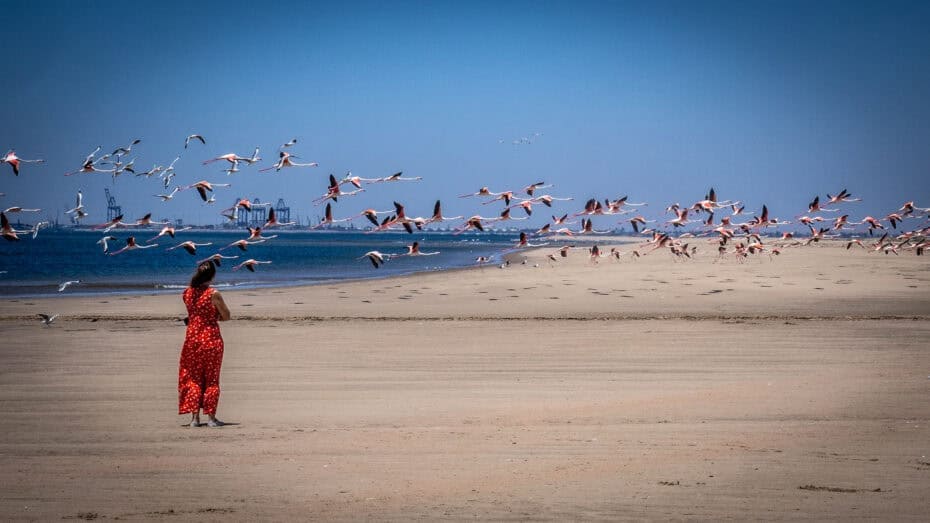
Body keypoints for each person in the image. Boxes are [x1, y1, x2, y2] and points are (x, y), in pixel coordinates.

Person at [178, 260, 231, 427]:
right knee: (212, 379)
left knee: (194, 378)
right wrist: (214, 317)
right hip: (211, 339)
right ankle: (211, 418)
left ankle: (194, 418)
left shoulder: (187, 292)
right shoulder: (213, 294)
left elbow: (193, 314)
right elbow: (226, 316)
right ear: (212, 275)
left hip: (192, 339)